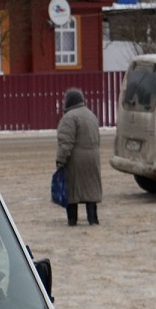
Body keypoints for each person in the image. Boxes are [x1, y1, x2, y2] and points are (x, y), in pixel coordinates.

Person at [55, 87, 102, 226]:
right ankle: (93, 219)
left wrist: (61, 160)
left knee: (72, 191)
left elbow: (65, 142)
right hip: (93, 158)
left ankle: (72, 220)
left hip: (76, 160)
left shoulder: (69, 117)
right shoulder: (91, 115)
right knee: (91, 190)